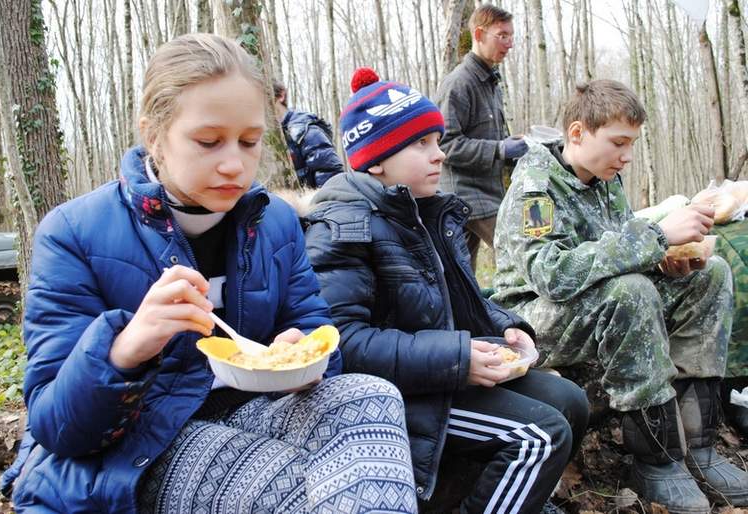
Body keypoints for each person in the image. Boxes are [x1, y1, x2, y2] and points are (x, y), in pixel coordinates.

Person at [0, 35, 418, 514]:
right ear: (153, 135)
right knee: (291, 485)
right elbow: (56, 427)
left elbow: (320, 334)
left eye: (250, 141)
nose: (234, 164)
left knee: (371, 397)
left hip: (252, 411)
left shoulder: (275, 222)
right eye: (208, 141)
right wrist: (127, 348)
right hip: (137, 446)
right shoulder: (75, 232)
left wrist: (302, 353)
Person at [304, 67, 589, 514]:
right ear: (376, 159)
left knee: (570, 401)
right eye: (422, 144)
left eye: (438, 141)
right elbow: (341, 343)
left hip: (441, 370)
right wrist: (457, 360)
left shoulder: (426, 214)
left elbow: (461, 303)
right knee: (538, 436)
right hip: (400, 393)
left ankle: (509, 496)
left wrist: (508, 328)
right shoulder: (344, 225)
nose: (439, 156)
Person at [492, 79, 748, 513]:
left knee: (712, 273)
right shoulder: (536, 189)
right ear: (577, 133)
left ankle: (698, 446)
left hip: (593, 301)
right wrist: (656, 236)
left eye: (631, 144)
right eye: (618, 143)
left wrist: (663, 259)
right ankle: (656, 460)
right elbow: (551, 274)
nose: (627, 156)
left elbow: (618, 248)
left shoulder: (606, 179)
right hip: (531, 322)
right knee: (630, 291)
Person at [435, 4, 528, 271]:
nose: (509, 44)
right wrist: (500, 149)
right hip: (466, 195)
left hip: (487, 190)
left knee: (462, 277)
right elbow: (446, 144)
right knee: (519, 260)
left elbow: (486, 136)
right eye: (502, 36)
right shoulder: (459, 83)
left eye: (511, 36)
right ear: (479, 34)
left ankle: (470, 313)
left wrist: (515, 146)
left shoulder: (490, 82)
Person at [273, 82, 345, 188]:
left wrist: (319, 203)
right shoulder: (263, 137)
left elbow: (330, 175)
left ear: (280, 96)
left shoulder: (305, 129)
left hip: (313, 201)